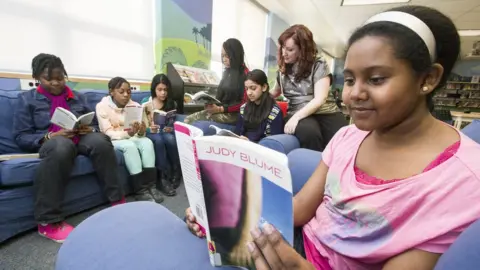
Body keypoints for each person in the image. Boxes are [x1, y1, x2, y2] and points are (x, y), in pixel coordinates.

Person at [187, 5, 480, 269]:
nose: (354, 94)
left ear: (428, 78)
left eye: (376, 79)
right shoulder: (348, 136)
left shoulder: (464, 184)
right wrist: (220, 218)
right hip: (297, 244)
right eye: (350, 79)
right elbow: (300, 209)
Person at [12, 53, 125, 243]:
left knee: (101, 141)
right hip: (52, 142)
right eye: (49, 79)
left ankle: (117, 200)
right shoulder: (26, 100)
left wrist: (90, 128)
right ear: (37, 78)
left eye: (60, 78)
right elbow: (20, 136)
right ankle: (48, 222)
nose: (56, 83)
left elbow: (95, 124)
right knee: (61, 146)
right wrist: (49, 136)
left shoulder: (78, 97)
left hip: (79, 137)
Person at [271, 25, 347, 152]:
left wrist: (296, 118)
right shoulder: (283, 68)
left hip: (325, 111)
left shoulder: (318, 64)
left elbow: (320, 99)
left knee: (343, 138)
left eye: (290, 49)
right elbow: (275, 92)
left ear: (303, 50)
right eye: (283, 47)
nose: (284, 53)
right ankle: (313, 167)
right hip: (297, 110)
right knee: (310, 133)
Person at [96, 77, 164, 203]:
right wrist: (127, 133)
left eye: (129, 92)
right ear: (111, 91)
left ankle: (151, 186)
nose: (126, 95)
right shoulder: (102, 106)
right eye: (121, 92)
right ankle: (140, 190)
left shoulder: (136, 106)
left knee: (147, 142)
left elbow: (140, 134)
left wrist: (142, 130)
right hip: (114, 139)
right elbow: (107, 132)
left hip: (132, 136)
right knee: (129, 146)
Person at [185, 38, 248, 125]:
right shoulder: (227, 72)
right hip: (222, 111)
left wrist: (221, 109)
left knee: (199, 122)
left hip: (235, 115)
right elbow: (220, 98)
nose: (224, 59)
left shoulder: (246, 75)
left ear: (235, 55)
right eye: (222, 56)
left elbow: (244, 104)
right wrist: (211, 104)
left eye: (227, 55)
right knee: (188, 119)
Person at [142, 74, 180, 196]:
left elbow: (172, 121)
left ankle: (176, 170)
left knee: (169, 138)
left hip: (166, 131)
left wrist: (170, 126)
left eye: (165, 90)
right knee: (158, 140)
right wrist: (149, 128)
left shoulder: (171, 103)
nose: (163, 93)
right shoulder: (145, 103)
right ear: (154, 89)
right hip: (151, 131)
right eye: (160, 90)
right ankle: (162, 178)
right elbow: (142, 124)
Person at [235, 69, 284, 142]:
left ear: (264, 87)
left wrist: (251, 143)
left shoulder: (274, 112)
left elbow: (274, 143)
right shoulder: (243, 108)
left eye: (253, 88)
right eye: (246, 89)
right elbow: (237, 132)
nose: (249, 93)